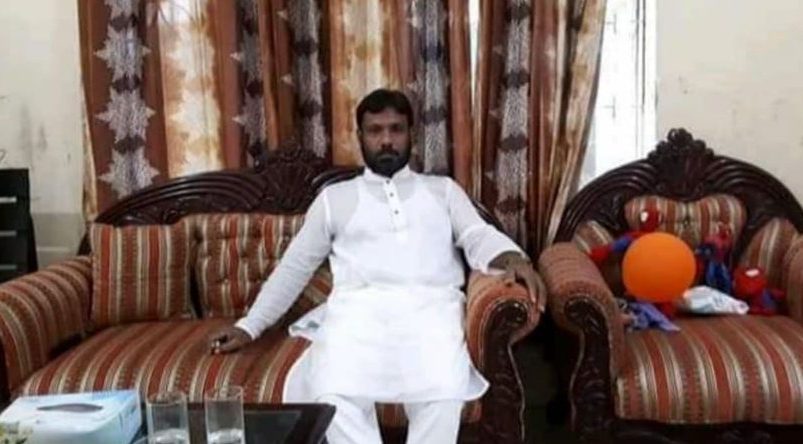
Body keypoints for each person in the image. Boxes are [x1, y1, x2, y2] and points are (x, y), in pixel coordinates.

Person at [209, 88, 541, 444]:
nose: (386, 140)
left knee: (444, 394)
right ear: (360, 136)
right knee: (332, 395)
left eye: (396, 129)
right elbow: (295, 267)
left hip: (432, 314)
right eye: (375, 130)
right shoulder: (334, 199)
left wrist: (513, 259)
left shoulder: (443, 191)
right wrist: (249, 326)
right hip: (356, 316)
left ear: (411, 134)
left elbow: (477, 235)